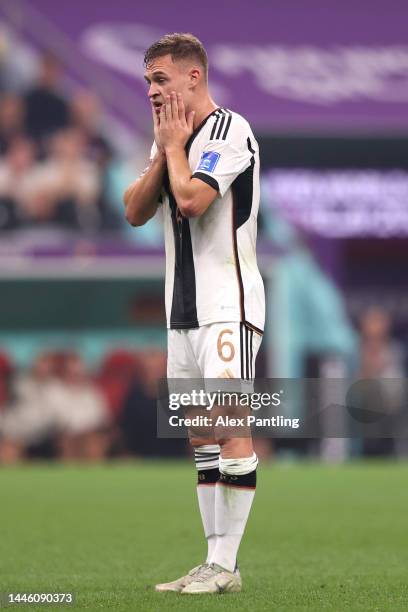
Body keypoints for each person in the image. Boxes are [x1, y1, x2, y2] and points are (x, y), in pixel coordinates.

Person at [124, 33, 265, 595]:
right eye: (147, 83)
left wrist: (173, 150)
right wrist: (164, 151)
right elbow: (135, 211)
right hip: (181, 312)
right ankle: (211, 561)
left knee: (231, 427)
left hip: (227, 305)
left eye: (161, 80)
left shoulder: (231, 131)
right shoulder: (169, 140)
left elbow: (192, 201)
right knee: (201, 433)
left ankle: (226, 565)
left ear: (193, 78)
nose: (153, 92)